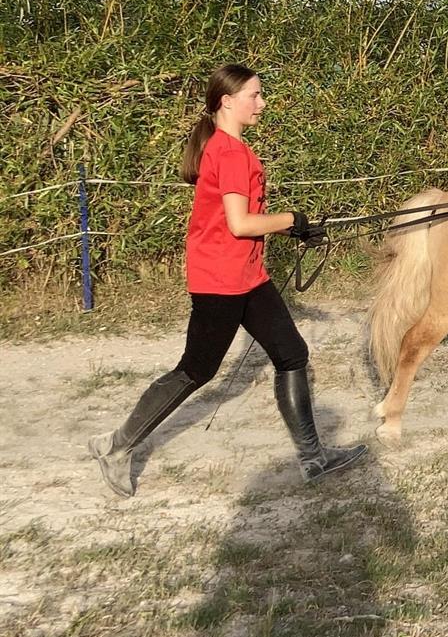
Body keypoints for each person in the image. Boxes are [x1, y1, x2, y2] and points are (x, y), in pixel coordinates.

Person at [88, 63, 368, 497]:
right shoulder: (233, 153)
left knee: (292, 354)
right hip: (221, 280)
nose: (262, 102)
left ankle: (314, 458)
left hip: (248, 277)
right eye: (254, 95)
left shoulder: (223, 147)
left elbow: (238, 221)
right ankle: (116, 448)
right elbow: (239, 224)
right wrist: (291, 219)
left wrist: (291, 227)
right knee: (195, 370)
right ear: (227, 101)